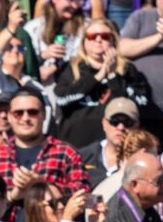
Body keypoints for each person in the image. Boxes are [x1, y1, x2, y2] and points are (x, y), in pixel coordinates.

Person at [53, 16, 152, 149]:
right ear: (84, 42)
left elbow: (140, 104)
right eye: (92, 36)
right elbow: (61, 99)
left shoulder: (126, 69)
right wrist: (98, 76)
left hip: (116, 146)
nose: (98, 40)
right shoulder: (72, 67)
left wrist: (112, 76)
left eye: (105, 36)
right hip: (76, 145)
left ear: (113, 40)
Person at [0, 87, 91, 202]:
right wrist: (12, 196)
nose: (25, 118)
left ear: (44, 114)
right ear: (9, 117)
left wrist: (42, 187)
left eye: (32, 112)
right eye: (18, 113)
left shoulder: (66, 153)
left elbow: (84, 193)